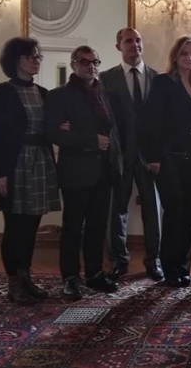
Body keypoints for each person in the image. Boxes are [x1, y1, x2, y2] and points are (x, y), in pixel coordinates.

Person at [0, 37, 61, 305]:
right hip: (15, 164)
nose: (36, 60)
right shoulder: (2, 92)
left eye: (38, 56)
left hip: (40, 162)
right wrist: (0, 173)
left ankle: (25, 276)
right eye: (31, 56)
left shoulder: (43, 92)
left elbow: (51, 127)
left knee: (31, 226)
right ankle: (14, 283)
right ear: (15, 59)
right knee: (15, 226)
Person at [45, 46, 123, 299]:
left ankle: (94, 273)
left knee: (97, 227)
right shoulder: (59, 96)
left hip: (104, 171)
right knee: (72, 228)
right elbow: (55, 134)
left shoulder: (105, 95)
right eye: (85, 61)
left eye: (95, 62)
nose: (91, 66)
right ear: (74, 64)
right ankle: (70, 278)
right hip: (76, 172)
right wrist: (91, 140)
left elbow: (111, 130)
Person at [142, 35, 191, 287]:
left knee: (188, 214)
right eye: (184, 53)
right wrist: (154, 157)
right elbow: (151, 122)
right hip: (168, 159)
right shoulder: (163, 83)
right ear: (175, 57)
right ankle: (169, 268)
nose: (189, 58)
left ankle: (183, 267)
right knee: (174, 212)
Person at [100, 27, 163, 281]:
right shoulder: (106, 78)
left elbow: (164, 121)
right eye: (128, 41)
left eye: (138, 40)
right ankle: (118, 260)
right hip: (119, 155)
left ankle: (154, 260)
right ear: (118, 46)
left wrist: (159, 155)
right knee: (116, 210)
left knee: (153, 210)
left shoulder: (158, 78)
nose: (134, 44)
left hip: (150, 156)